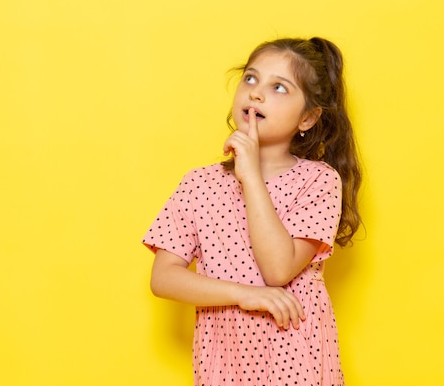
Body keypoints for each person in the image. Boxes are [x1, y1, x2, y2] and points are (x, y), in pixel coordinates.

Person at [142, 37, 362, 386]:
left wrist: (250, 176)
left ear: (307, 118)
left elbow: (278, 270)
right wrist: (244, 294)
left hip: (293, 357)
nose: (256, 93)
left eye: (278, 87)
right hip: (224, 362)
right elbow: (163, 278)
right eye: (250, 79)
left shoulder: (318, 180)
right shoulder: (199, 184)